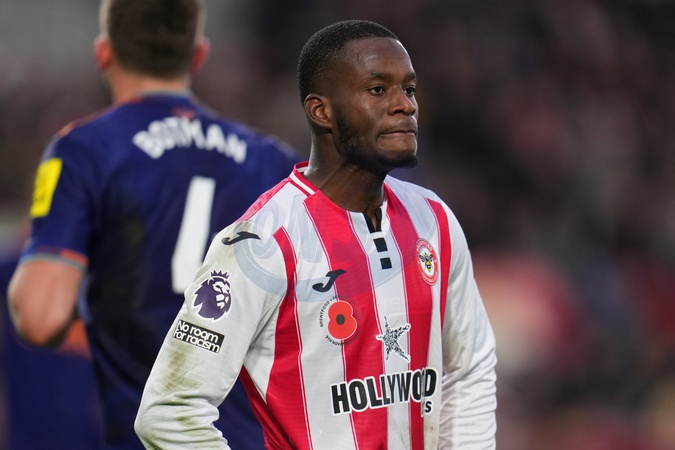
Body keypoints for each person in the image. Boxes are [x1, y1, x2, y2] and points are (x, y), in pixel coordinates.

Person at [135, 19, 497, 449]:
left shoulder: (434, 220)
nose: (405, 105)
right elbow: (169, 409)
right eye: (377, 89)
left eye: (410, 89)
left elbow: (468, 368)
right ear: (320, 111)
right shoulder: (262, 242)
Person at [7, 0, 298, 448]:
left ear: (104, 53)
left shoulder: (85, 150)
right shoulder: (273, 161)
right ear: (197, 55)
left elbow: (41, 317)